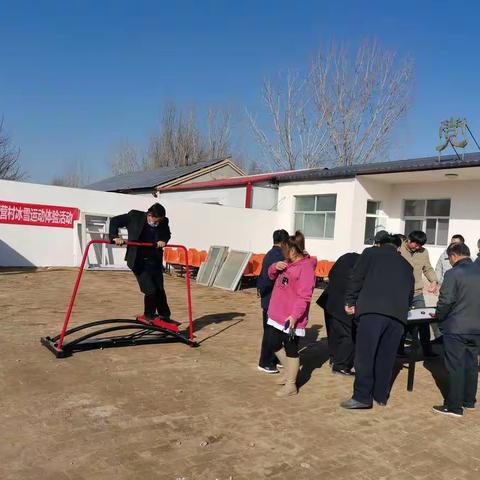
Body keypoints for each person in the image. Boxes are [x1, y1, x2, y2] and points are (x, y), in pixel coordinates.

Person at [341, 234, 414, 409]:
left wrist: (350, 301)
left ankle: (362, 397)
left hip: (372, 313)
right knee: (386, 357)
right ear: (397, 248)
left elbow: (356, 277)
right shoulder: (407, 266)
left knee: (365, 356)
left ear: (379, 244)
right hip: (397, 318)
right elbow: (410, 294)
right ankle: (380, 395)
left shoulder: (370, 253)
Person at [433, 242, 480, 417]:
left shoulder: (454, 273)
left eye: (449, 258)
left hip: (457, 328)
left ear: (454, 255)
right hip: (477, 328)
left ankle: (454, 406)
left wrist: (439, 317)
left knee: (455, 366)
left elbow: (446, 300)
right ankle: (469, 400)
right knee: (471, 364)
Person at [266, 236, 316, 396]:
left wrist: (294, 316)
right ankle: (288, 372)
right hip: (276, 313)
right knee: (272, 342)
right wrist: (274, 267)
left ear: (294, 250)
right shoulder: (287, 262)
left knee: (291, 349)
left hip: (291, 317)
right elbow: (271, 276)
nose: (283, 252)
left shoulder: (306, 268)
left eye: (286, 249)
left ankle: (291, 384)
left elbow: (305, 297)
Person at [109, 203, 171, 323]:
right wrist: (115, 237)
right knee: (150, 290)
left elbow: (166, 234)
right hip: (138, 261)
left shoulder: (164, 221)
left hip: (154, 259)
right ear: (150, 215)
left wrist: (163, 240)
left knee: (159, 289)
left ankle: (164, 315)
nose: (157, 223)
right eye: (156, 221)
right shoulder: (134, 216)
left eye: (160, 221)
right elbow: (115, 221)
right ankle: (148, 316)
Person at [318, 252, 360, 376]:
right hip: (344, 303)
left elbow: (331, 274)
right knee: (349, 335)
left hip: (329, 300)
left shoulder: (347, 256)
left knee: (334, 332)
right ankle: (340, 365)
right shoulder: (365, 264)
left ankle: (334, 359)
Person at [399, 231, 438, 357]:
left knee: (423, 322)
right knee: (401, 320)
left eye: (420, 245)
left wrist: (434, 280)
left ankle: (427, 350)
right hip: (401, 293)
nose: (418, 247)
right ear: (409, 240)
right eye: (416, 244)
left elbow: (428, 268)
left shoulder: (423, 252)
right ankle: (399, 349)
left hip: (417, 293)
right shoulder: (399, 249)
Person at [257, 229, 290, 374]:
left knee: (275, 332)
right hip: (271, 299)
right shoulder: (278, 256)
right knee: (271, 333)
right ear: (284, 242)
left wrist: (260, 290)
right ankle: (265, 362)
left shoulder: (270, 254)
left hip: (269, 299)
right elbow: (268, 279)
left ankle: (275, 359)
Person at [433, 234, 465, 341]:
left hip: (459, 292)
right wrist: (435, 282)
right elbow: (438, 269)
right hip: (446, 289)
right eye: (451, 242)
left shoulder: (469, 258)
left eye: (455, 243)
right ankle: (440, 336)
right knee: (443, 309)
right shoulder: (444, 255)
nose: (452, 245)